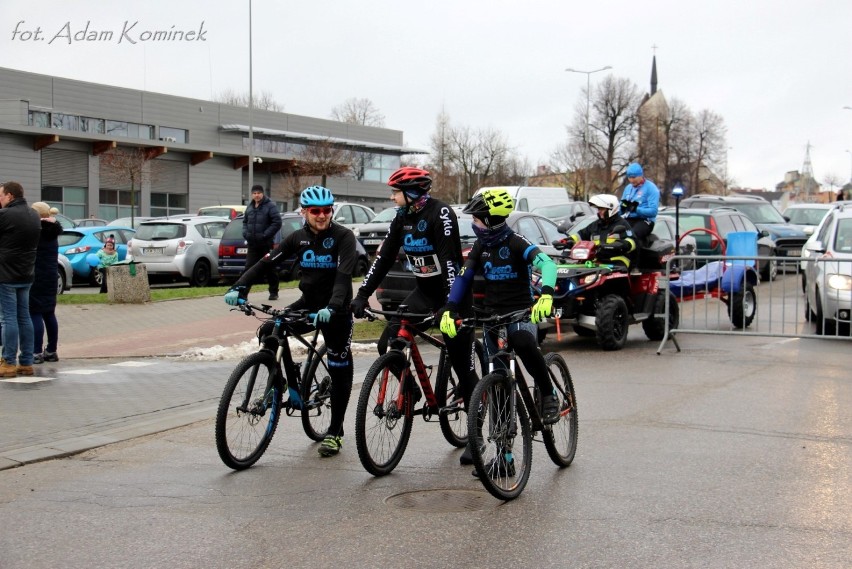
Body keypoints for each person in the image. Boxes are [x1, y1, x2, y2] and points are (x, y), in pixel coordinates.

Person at [349, 167, 480, 465]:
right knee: (388, 342)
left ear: (411, 193)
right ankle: (410, 390)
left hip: (453, 293)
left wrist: (450, 305)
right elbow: (382, 258)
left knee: (462, 363)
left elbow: (449, 261)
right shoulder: (401, 218)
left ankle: (477, 437)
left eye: (395, 192)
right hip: (423, 292)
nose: (392, 197)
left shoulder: (440, 214)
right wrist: (362, 294)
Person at [225, 185, 357, 458]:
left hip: (337, 310)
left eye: (326, 210)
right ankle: (280, 380)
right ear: (304, 212)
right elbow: (265, 262)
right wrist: (239, 287)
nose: (322, 216)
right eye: (315, 211)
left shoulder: (343, 236)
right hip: (307, 304)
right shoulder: (297, 238)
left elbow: (344, 276)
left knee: (339, 368)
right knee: (270, 329)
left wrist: (333, 307)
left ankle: (334, 433)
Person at [439, 188, 561, 430]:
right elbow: (463, 278)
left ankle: (549, 394)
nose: (473, 225)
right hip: (491, 316)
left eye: (476, 220)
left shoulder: (516, 242)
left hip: (521, 311)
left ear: (490, 220)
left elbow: (548, 265)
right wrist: (450, 308)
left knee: (523, 342)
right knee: (496, 377)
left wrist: (546, 295)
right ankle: (504, 452)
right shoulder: (480, 246)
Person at [0, 181, 42, 378]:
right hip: (26, 273)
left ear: (9, 196)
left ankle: (8, 361)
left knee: (8, 318)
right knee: (24, 317)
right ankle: (26, 361)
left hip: (5, 273)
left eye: (1, 196)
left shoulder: (6, 215)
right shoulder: (34, 214)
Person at [566, 194, 638, 270]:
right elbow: (581, 235)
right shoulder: (595, 225)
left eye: (602, 209)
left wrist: (620, 245)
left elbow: (633, 242)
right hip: (596, 262)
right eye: (598, 209)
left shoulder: (622, 224)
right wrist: (566, 241)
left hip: (616, 261)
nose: (599, 212)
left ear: (611, 209)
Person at [29, 202, 63, 364]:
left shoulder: (37, 232)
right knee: (49, 313)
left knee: (34, 312)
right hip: (51, 276)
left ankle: (36, 351)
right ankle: (51, 350)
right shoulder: (53, 232)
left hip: (37, 276)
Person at [242, 184, 283, 301]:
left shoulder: (270, 206)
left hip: (265, 244)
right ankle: (243, 293)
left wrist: (265, 235)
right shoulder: (249, 207)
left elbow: (277, 222)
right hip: (252, 244)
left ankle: (274, 291)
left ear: (262, 193)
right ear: (252, 194)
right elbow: (244, 222)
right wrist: (245, 233)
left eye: (258, 193)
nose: (256, 195)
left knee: (269, 267)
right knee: (248, 269)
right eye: (254, 193)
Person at [620, 162, 660, 246]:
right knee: (615, 232)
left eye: (634, 177)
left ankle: (636, 258)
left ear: (641, 175)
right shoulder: (628, 188)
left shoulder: (651, 188)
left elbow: (653, 211)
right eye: (629, 177)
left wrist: (636, 209)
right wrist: (621, 208)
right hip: (629, 218)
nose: (631, 180)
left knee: (632, 235)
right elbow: (622, 206)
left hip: (645, 221)